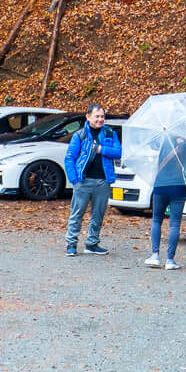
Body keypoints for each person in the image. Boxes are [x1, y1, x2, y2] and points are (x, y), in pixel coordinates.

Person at [63, 103, 119, 257]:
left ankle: (92, 243)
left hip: (103, 180)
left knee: (98, 214)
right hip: (84, 180)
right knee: (77, 213)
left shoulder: (109, 133)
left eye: (102, 116)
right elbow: (69, 158)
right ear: (88, 117)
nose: (100, 119)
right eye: (97, 116)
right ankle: (71, 243)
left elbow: (118, 152)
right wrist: (74, 179)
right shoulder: (80, 135)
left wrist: (102, 149)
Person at [144, 134, 186, 270]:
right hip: (179, 187)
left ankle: (155, 255)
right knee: (175, 224)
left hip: (160, 185)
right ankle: (170, 260)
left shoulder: (161, 143)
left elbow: (152, 151)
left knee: (156, 220)